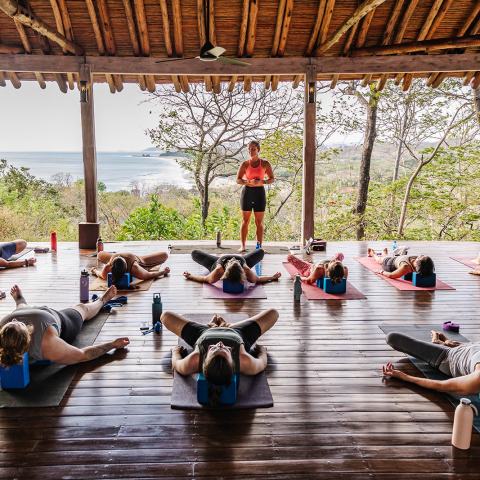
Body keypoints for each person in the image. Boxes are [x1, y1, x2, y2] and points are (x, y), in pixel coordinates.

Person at [0, 284, 129, 366]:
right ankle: (103, 300)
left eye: (13, 321)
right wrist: (112, 344)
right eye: (18, 323)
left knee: (21, 309)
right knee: (82, 309)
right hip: (62, 321)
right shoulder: (48, 344)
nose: (15, 320)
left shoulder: (6, 326)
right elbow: (83, 355)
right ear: (28, 333)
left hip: (30, 311)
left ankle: (20, 302)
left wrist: (20, 303)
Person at [163, 309, 278, 385]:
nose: (219, 344)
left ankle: (212, 326)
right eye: (225, 349)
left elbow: (177, 364)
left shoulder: (194, 360)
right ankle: (227, 326)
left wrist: (175, 352)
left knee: (165, 316)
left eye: (214, 349)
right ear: (232, 361)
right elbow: (262, 363)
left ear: (204, 360)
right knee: (273, 313)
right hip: (238, 333)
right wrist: (262, 352)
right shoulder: (244, 361)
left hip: (202, 333)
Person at [383, 330, 480, 395]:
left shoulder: (478, 378)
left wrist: (405, 377)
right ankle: (442, 342)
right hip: (467, 347)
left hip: (445, 356)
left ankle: (439, 343)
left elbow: (443, 385)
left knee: (392, 337)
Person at [236, 141, 274, 252]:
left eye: (253, 149)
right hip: (247, 193)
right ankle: (243, 246)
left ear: (258, 150)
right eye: (249, 149)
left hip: (259, 194)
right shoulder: (245, 164)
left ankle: (258, 247)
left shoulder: (265, 163)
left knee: (259, 222)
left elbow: (272, 178)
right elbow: (238, 180)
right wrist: (248, 182)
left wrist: (262, 182)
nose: (251, 151)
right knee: (245, 220)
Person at [183, 249, 281, 286]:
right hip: (216, 262)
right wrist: (190, 276)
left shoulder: (245, 268)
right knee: (194, 253)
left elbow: (258, 279)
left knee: (261, 252)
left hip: (242, 260)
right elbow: (205, 279)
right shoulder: (218, 270)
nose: (233, 258)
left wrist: (273, 277)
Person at [91, 250, 170, 286]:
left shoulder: (134, 267)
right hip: (120, 259)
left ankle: (116, 255)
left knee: (165, 255)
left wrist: (163, 272)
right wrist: (94, 271)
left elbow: (149, 275)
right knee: (100, 254)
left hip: (139, 260)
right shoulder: (109, 266)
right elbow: (101, 275)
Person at [367, 247, 435, 279]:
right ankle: (383, 253)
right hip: (395, 259)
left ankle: (372, 253)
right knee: (384, 258)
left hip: (389, 264)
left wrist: (381, 272)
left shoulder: (406, 267)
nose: (421, 255)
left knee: (380, 260)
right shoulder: (421, 261)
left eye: (422, 257)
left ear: (418, 262)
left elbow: (391, 275)